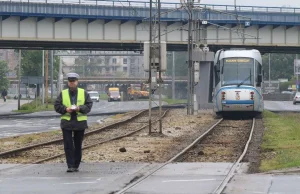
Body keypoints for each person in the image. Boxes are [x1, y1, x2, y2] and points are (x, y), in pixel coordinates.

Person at [54, 73, 93, 172]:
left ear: (77, 82)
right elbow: (57, 106)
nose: (72, 83)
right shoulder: (63, 93)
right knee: (68, 145)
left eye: (73, 81)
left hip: (80, 123)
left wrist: (79, 108)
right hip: (67, 122)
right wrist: (65, 109)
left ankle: (76, 164)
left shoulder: (83, 93)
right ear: (68, 82)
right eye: (70, 81)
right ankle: (70, 165)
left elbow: (89, 106)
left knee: (77, 144)